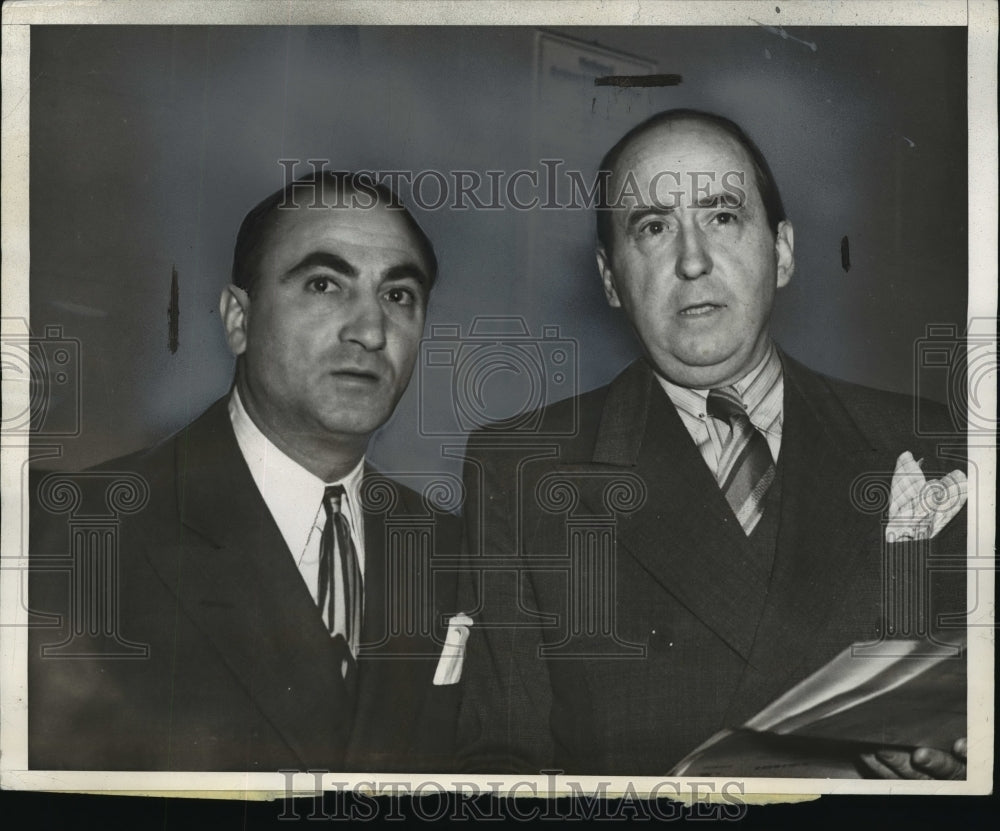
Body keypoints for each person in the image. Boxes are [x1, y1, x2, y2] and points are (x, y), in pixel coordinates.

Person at [456, 110, 968, 778]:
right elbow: (501, 765)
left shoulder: (932, 438)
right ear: (611, 278)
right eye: (653, 226)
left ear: (782, 251)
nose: (693, 260)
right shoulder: (519, 471)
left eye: (722, 215)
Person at [29, 171, 461, 772]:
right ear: (237, 319)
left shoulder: (456, 550)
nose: (369, 331)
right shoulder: (72, 534)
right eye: (323, 284)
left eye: (398, 296)